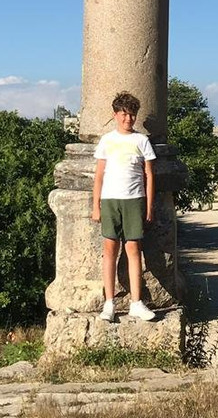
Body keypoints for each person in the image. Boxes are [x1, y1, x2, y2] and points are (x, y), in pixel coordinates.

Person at [90, 91, 157, 322]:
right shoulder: (107, 140)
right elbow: (99, 176)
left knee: (134, 251)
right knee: (109, 250)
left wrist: (149, 206)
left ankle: (136, 302)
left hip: (134, 199)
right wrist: (96, 205)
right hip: (110, 200)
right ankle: (109, 303)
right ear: (115, 115)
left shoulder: (142, 141)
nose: (128, 119)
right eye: (124, 114)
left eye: (132, 115)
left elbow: (149, 174)